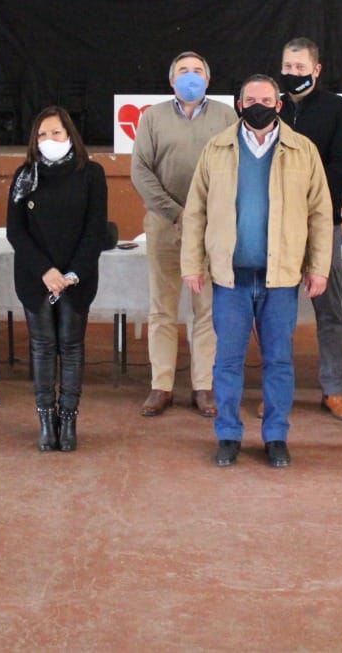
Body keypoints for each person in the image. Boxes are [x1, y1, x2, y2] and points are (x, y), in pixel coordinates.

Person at [182, 75, 332, 468]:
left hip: (280, 278)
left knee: (279, 361)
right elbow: (195, 211)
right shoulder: (216, 148)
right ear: (239, 104)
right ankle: (228, 435)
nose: (258, 106)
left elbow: (320, 214)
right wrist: (192, 264)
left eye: (266, 100)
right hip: (230, 277)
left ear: (279, 105)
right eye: (251, 100)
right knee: (227, 361)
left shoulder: (303, 150)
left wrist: (318, 267)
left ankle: (276, 435)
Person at [130, 51, 237, 418]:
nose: (190, 76)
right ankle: (161, 385)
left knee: (206, 309)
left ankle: (203, 386)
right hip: (164, 224)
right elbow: (140, 170)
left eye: (197, 70)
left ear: (208, 79)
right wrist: (176, 213)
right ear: (171, 80)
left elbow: (234, 167)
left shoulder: (226, 116)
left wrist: (204, 216)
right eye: (183, 71)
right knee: (162, 307)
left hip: (210, 228)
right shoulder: (152, 117)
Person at [7, 107, 109, 452]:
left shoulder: (91, 173)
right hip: (35, 277)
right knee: (42, 346)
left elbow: (95, 230)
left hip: (76, 279)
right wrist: (45, 271)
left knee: (71, 346)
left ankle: (68, 420)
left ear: (70, 135)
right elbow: (16, 231)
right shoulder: (25, 175)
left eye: (56, 133)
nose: (48, 139)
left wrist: (71, 274)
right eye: (42, 134)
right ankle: (46, 421)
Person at [277, 37, 342, 420]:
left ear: (316, 69)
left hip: (325, 226)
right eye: (287, 67)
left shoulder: (338, 109)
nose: (292, 73)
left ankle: (333, 390)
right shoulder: (271, 108)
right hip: (278, 230)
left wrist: (298, 189)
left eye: (300, 67)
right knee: (278, 314)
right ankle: (278, 390)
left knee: (330, 311)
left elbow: (340, 167)